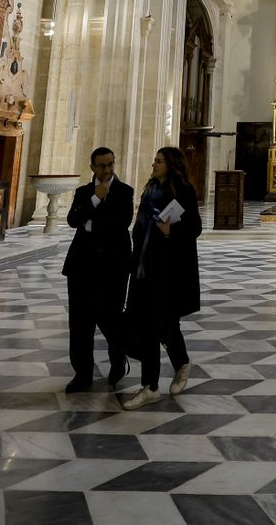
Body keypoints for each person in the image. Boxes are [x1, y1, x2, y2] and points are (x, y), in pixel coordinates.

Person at [121, 147, 202, 410]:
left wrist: (170, 232)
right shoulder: (149, 189)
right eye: (154, 160)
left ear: (171, 165)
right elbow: (140, 226)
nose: (153, 164)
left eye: (158, 161)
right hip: (145, 266)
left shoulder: (183, 191)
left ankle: (180, 364)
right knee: (147, 326)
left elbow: (195, 228)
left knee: (165, 324)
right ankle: (151, 386)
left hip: (169, 269)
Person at [62, 146, 134, 393]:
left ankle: (117, 358)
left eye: (111, 164)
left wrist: (90, 220)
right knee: (80, 322)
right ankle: (82, 374)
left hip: (113, 265)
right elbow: (73, 220)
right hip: (81, 265)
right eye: (102, 165)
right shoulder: (84, 192)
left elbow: (121, 223)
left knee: (110, 317)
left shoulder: (125, 192)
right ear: (92, 167)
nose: (107, 169)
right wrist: (95, 199)